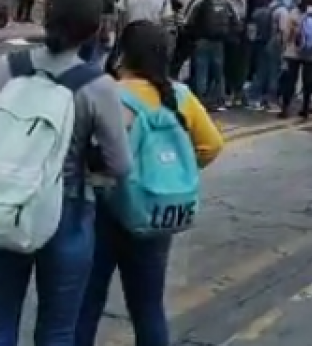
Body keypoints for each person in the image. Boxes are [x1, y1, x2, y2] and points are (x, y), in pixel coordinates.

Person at [0, 0, 131, 346]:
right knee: (57, 330)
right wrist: (92, 173)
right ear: (95, 29)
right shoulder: (98, 86)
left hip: (0, 204)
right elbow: (120, 165)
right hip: (66, 211)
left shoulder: (4, 68)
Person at [75, 21, 223, 346]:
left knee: (86, 303)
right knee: (147, 307)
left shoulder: (106, 92)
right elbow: (211, 145)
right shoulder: (179, 96)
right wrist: (175, 171)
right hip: (155, 208)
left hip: (103, 206)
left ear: (122, 53)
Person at [279, 0, 312, 119]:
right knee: (308, 81)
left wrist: (285, 46)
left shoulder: (294, 12)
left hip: (293, 51)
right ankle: (305, 108)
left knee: (290, 80)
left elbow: (287, 33)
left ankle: (285, 108)